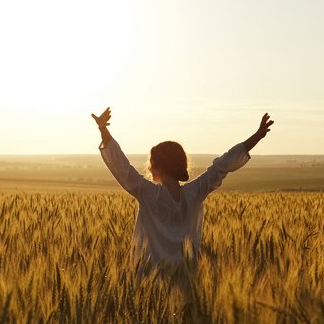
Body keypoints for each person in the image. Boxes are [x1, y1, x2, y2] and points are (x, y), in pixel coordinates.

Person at [91, 107, 273, 270]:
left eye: (151, 164)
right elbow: (222, 166)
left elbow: (121, 167)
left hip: (152, 280)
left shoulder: (148, 193)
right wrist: (256, 136)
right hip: (186, 278)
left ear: (160, 166)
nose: (148, 168)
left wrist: (103, 130)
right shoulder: (194, 192)